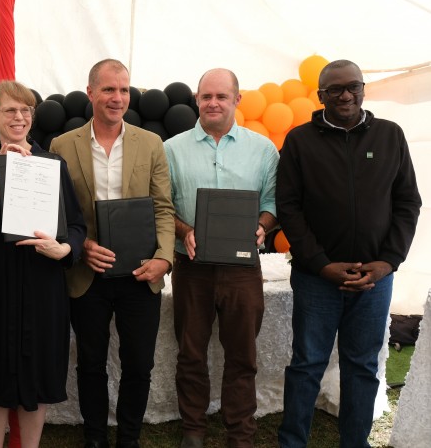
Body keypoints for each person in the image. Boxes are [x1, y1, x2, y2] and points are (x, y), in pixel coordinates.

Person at [276, 60, 422, 448]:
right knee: (307, 366)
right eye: (335, 89)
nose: (346, 95)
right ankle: (292, 442)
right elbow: (288, 207)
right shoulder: (299, 140)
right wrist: (321, 264)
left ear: (362, 89)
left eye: (353, 86)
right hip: (316, 280)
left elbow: (408, 202)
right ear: (320, 95)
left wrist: (387, 262)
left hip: (375, 282)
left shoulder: (390, 136)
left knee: (361, 368)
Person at [49, 59, 175, 448]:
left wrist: (164, 259)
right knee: (90, 363)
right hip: (88, 275)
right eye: (108, 89)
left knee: (139, 364)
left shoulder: (150, 143)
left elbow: (163, 208)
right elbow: (57, 212)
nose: (117, 98)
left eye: (123, 90)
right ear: (90, 93)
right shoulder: (62, 146)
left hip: (141, 273)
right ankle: (95, 438)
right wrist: (81, 245)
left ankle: (130, 439)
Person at [0, 80, 86, 448]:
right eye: (9, 110)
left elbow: (75, 225)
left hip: (42, 278)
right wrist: (1, 177)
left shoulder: (53, 165)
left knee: (38, 364)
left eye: (25, 110)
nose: (19, 117)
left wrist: (66, 250)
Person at [163, 68, 279, 448]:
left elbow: (271, 203)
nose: (213, 103)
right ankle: (193, 430)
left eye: (221, 96)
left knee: (242, 355)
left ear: (237, 100)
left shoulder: (262, 149)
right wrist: (186, 231)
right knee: (192, 353)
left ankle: (240, 434)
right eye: (206, 96)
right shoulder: (172, 149)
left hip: (243, 269)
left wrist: (262, 225)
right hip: (191, 267)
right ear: (196, 100)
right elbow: (163, 206)